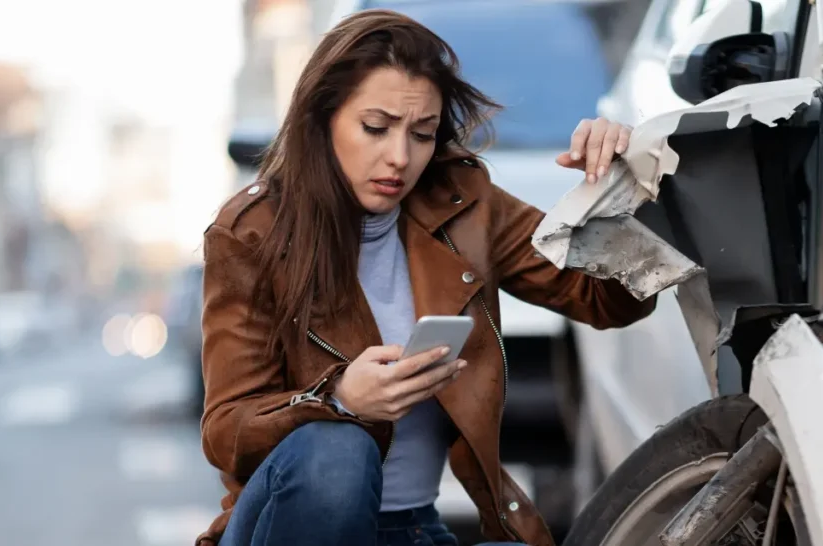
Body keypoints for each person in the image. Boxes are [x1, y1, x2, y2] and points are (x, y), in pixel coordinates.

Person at [197, 8, 657, 546]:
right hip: (284, 528)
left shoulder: (462, 204)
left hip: (415, 528)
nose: (399, 157)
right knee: (336, 452)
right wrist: (341, 400)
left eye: (422, 134)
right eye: (375, 128)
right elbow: (226, 430)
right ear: (322, 121)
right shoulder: (252, 232)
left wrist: (617, 187)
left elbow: (610, 301)